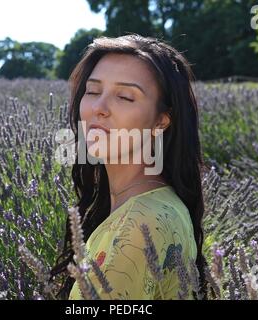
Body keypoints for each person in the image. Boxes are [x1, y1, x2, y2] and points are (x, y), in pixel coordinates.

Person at [50, 34, 209, 300]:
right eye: (92, 91)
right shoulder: (156, 202)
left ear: (161, 120)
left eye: (124, 96)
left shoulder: (137, 227)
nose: (99, 108)